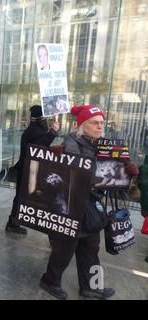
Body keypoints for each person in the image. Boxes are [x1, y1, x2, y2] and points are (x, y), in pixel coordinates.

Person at [39, 105, 138, 300]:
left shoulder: (103, 146)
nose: (100, 126)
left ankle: (92, 287)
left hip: (91, 206)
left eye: (102, 122)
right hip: (71, 206)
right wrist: (56, 157)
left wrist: (127, 172)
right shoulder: (71, 143)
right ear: (82, 125)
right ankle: (49, 280)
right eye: (95, 123)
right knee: (64, 249)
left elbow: (107, 175)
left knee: (91, 248)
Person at [6, 105, 60, 235]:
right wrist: (53, 131)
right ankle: (13, 223)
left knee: (21, 197)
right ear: (42, 119)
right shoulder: (35, 131)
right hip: (27, 170)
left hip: (27, 169)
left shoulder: (34, 129)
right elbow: (40, 147)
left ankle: (13, 223)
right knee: (21, 197)